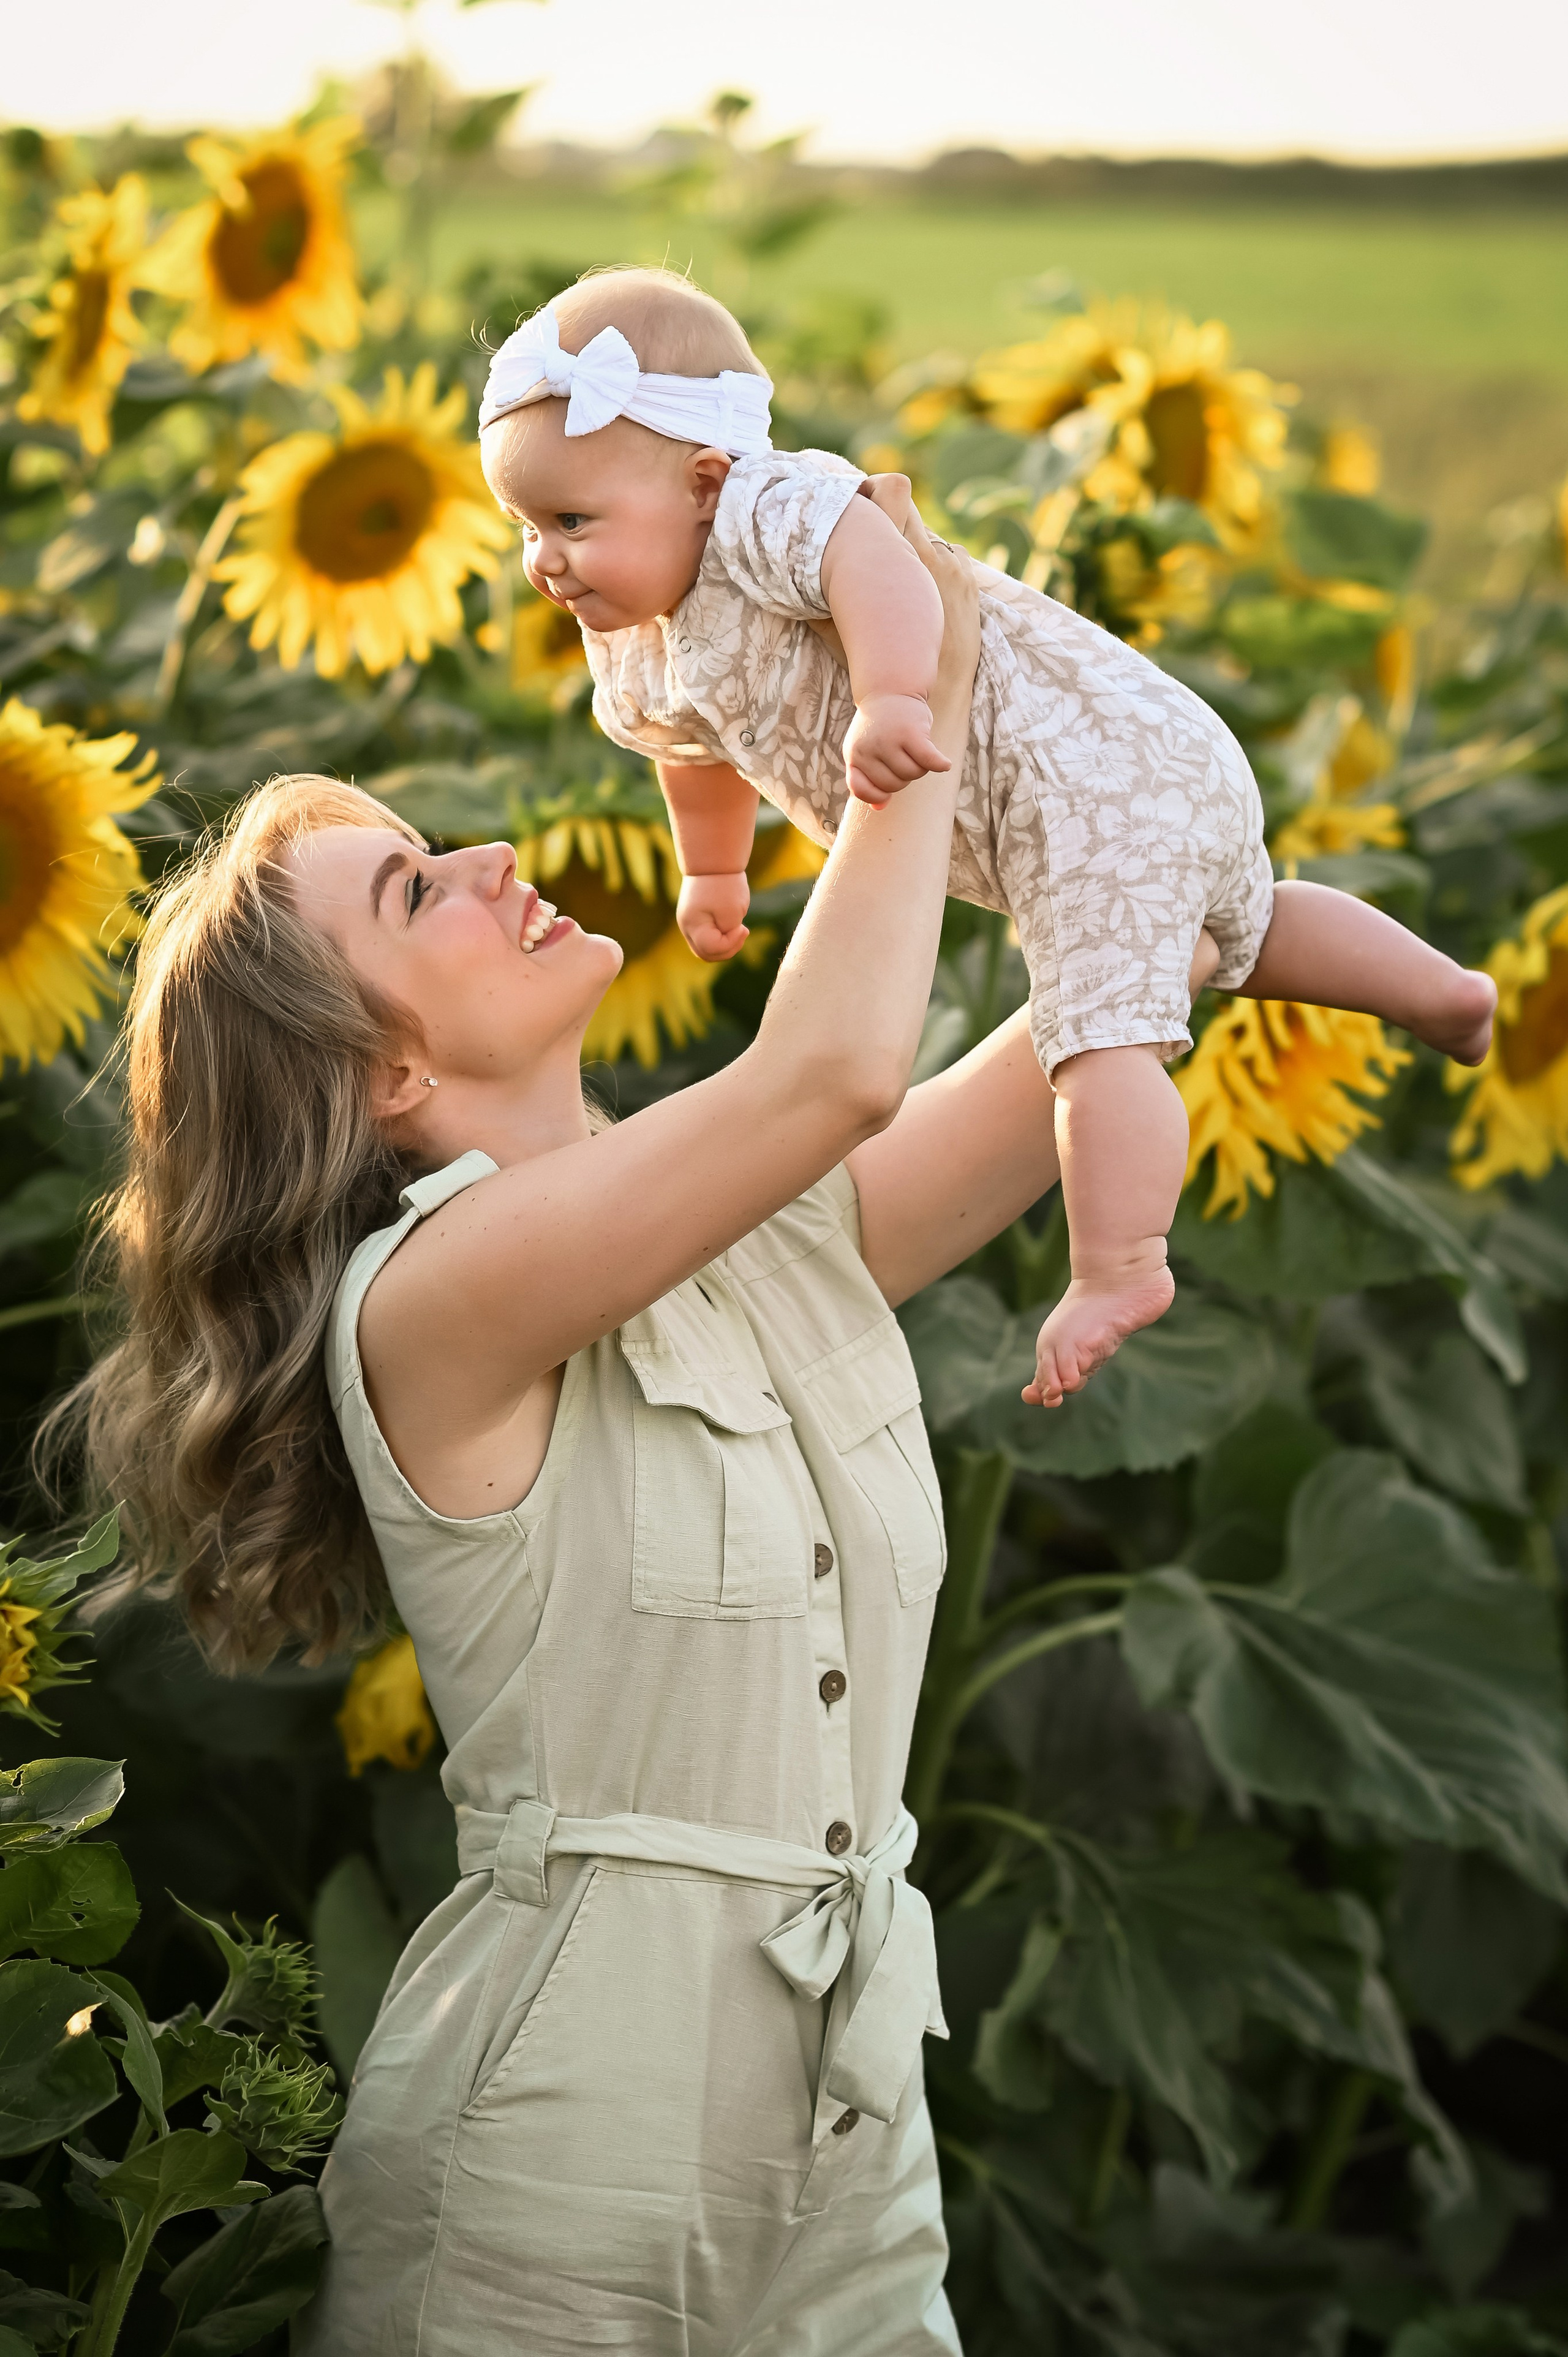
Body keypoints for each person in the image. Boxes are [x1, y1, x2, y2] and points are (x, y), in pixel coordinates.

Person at [50, 519, 1087, 2354]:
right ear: (387, 1078)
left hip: (854, 2123)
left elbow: (1111, 1010)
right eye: (418, 893)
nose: (500, 861)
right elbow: (838, 1069)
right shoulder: (425, 1304)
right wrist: (904, 701)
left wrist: (968, 633)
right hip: (562, 2149)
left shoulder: (751, 1233)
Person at [477, 266, 1497, 1415]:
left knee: (1097, 1037)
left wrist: (897, 699)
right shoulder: (636, 633)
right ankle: (1444, 995)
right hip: (1086, 796)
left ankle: (1121, 1264)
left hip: (1084, 775)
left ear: (707, 480)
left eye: (571, 522)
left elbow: (886, 564)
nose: (545, 561)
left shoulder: (766, 511)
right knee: (1245, 926)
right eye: (526, 527)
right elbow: (692, 751)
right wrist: (713, 869)